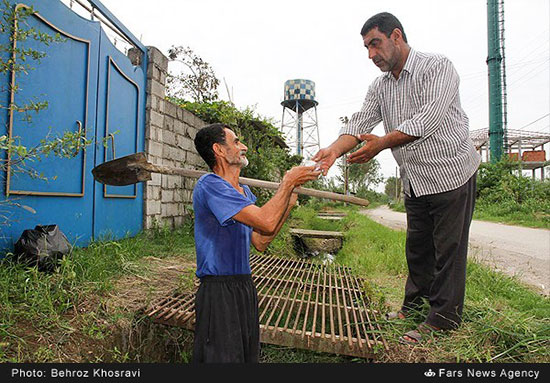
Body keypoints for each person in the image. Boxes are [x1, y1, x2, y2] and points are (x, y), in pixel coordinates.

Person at [312, 12, 480, 345]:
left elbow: (425, 121)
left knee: (448, 250)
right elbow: (360, 123)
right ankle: (414, 306)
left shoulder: (437, 67)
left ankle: (444, 319)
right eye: (366, 48)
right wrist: (334, 150)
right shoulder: (380, 86)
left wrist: (381, 145)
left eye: (375, 43)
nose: (371, 54)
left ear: (397, 37)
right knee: (418, 249)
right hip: (416, 179)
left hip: (452, 173)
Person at [192, 123, 321, 362]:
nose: (245, 147)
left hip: (243, 286)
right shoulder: (210, 185)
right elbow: (266, 221)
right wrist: (287, 182)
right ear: (219, 150)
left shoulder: (244, 192)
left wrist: (289, 202)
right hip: (218, 290)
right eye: (236, 142)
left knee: (245, 357)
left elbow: (261, 240)